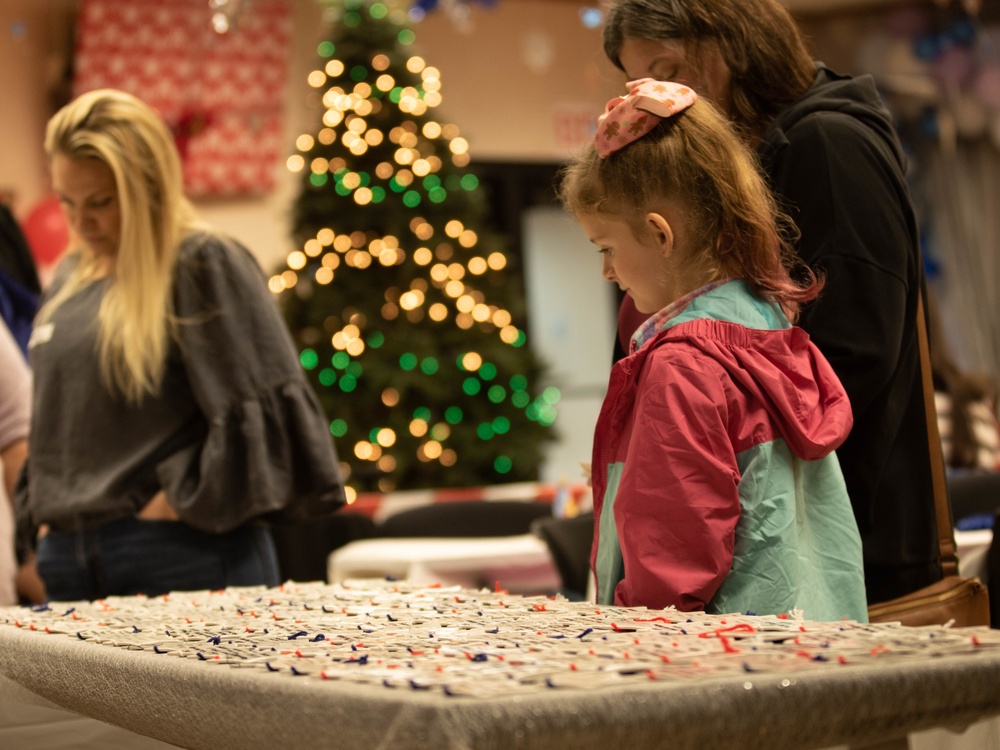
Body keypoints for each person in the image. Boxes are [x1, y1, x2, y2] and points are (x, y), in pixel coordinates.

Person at [602, 0, 938, 605]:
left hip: (835, 551)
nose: (663, 93)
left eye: (669, 66)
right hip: (786, 550)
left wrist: (694, 416)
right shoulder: (777, 148)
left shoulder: (825, 143)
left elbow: (853, 350)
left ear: (730, 44)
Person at [14, 88, 346, 602]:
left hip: (177, 550)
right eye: (67, 201)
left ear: (148, 187)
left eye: (101, 202)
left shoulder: (201, 262)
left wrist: (171, 504)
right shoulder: (70, 278)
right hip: (72, 561)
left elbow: (266, 416)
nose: (80, 222)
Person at [558, 79, 868, 620]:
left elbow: (669, 563)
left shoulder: (682, 366)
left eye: (607, 248)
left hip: (725, 670)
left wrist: (625, 641)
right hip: (819, 646)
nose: (606, 271)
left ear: (660, 234)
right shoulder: (774, 332)